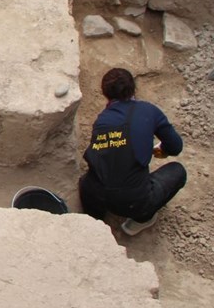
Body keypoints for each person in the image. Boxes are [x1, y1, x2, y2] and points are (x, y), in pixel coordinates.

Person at [79, 68, 187, 236]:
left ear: (105, 93)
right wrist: (162, 149)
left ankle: (95, 218)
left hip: (93, 194)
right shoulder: (149, 111)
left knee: (95, 179)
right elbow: (175, 147)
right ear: (133, 89)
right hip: (133, 202)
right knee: (178, 171)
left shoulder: (103, 119)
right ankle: (140, 220)